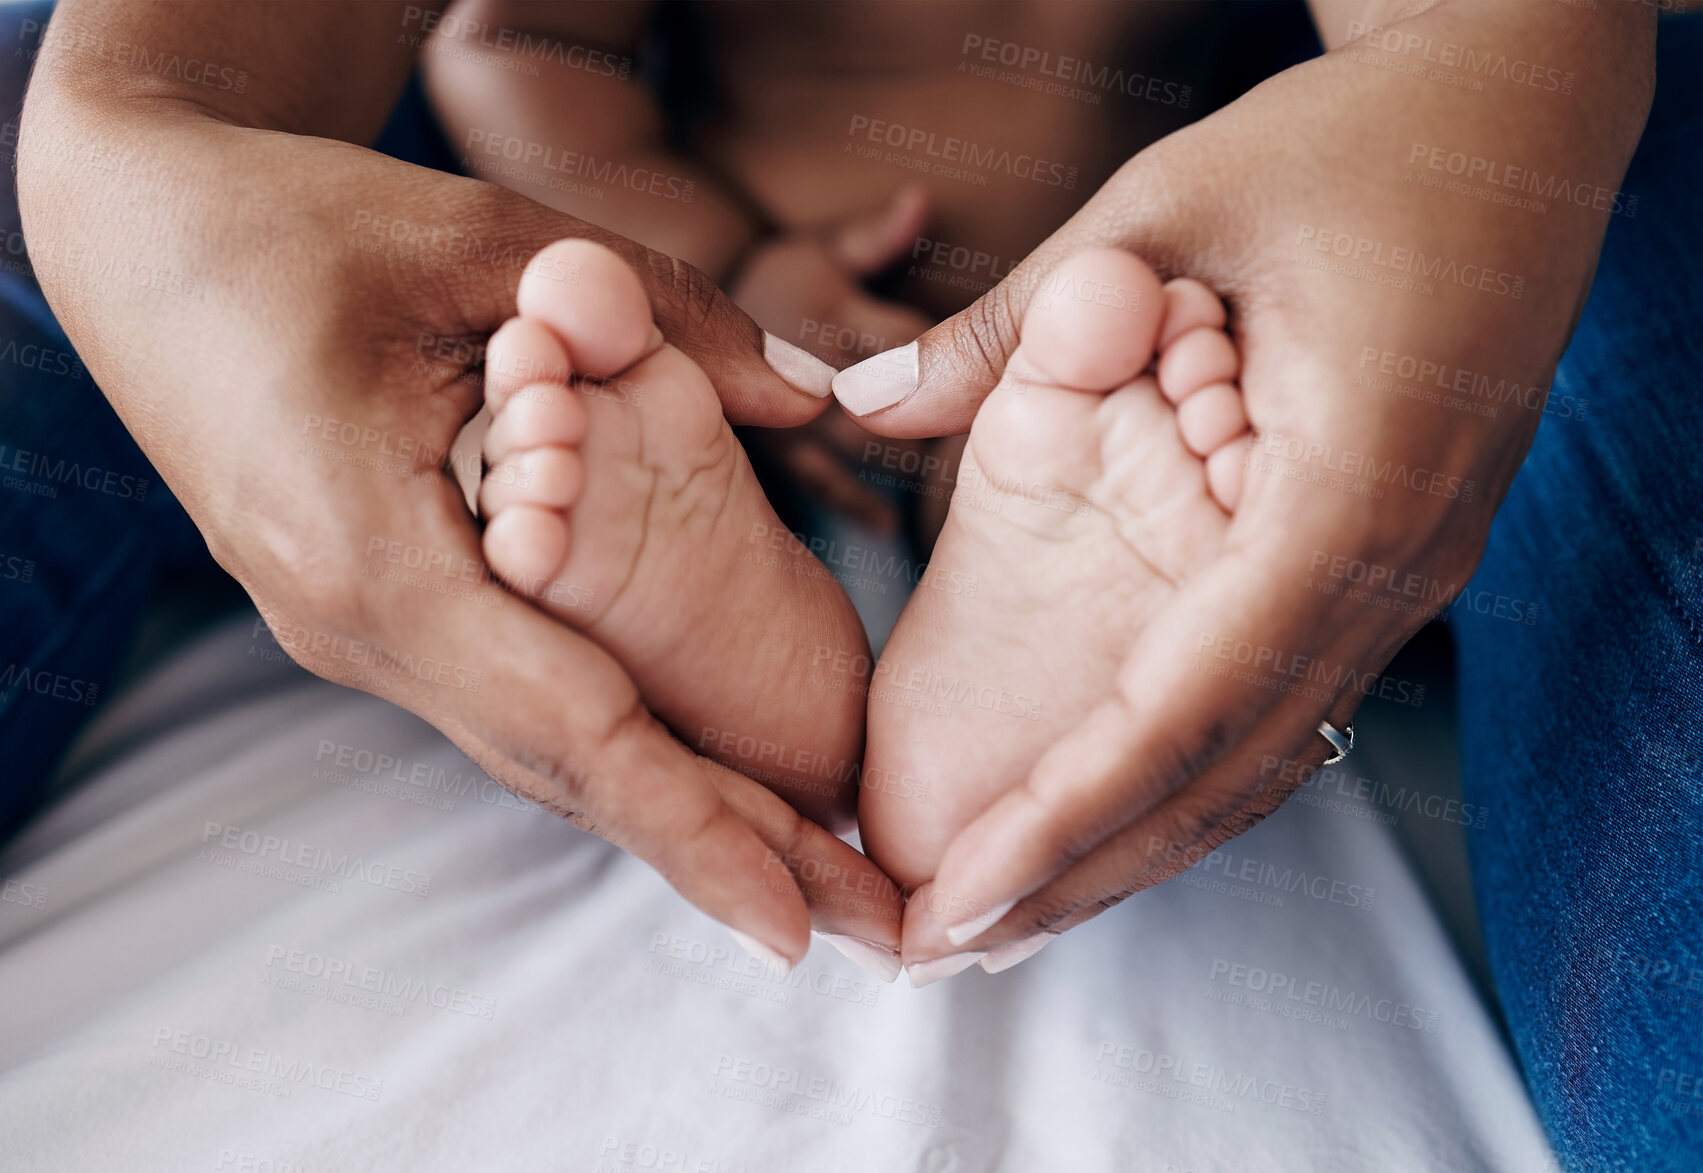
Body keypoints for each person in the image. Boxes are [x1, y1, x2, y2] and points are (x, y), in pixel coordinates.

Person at [6, 1, 1696, 1167]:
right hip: (725, 322)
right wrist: (718, 263)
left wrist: (1495, 80)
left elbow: (1457, 61)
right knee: (121, 162)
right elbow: (520, 41)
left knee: (1587, 180)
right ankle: (644, 535)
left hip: (1210, 269)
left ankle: (1029, 578)